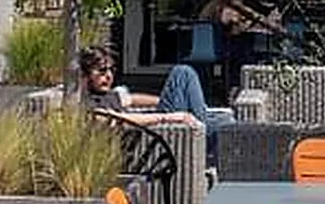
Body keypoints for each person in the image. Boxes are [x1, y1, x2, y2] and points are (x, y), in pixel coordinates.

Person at [77, 46, 232, 158]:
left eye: (111, 70)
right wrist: (168, 116)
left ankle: (204, 130)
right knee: (182, 72)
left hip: (158, 126)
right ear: (85, 75)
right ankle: (203, 137)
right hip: (154, 136)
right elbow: (123, 121)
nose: (109, 76)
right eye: (102, 71)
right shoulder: (89, 104)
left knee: (224, 120)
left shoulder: (107, 94)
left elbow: (131, 99)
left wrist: (165, 101)